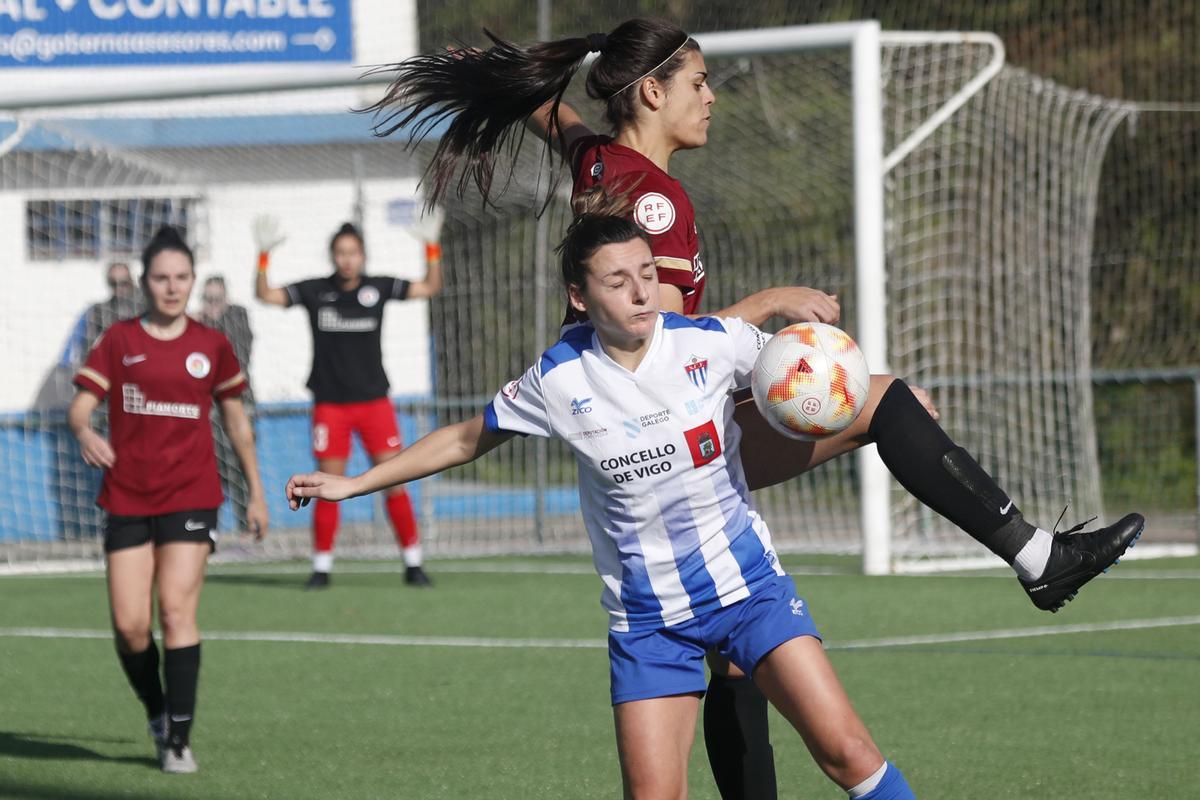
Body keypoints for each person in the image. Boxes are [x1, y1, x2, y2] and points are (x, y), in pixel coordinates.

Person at [367, 20, 1146, 800]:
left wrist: (500, 77)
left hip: (629, 442)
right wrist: (773, 304)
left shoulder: (601, 160)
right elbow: (663, 345)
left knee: (738, 650)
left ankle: (1028, 554)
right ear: (652, 91)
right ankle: (1036, 556)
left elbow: (558, 120)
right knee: (888, 404)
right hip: (660, 431)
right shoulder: (654, 203)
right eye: (698, 83)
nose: (710, 98)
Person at [287, 211, 920, 799]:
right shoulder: (558, 379)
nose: (642, 292)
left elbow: (807, 373)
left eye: (647, 274)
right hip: (648, 624)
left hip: (749, 592)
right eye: (618, 280)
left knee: (847, 753)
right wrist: (352, 484)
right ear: (579, 297)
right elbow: (462, 438)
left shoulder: (714, 342)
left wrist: (888, 404)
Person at [68, 226, 269, 774]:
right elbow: (80, 408)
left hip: (192, 495)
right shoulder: (118, 340)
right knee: (131, 626)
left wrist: (256, 492)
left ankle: (179, 738)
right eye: (161, 277)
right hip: (128, 497)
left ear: (192, 281)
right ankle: (157, 713)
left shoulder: (212, 345)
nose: (172, 287)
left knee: (177, 611)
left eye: (182, 277)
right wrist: (86, 432)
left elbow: (236, 423)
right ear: (144, 281)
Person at [254, 215, 444, 589]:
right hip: (330, 406)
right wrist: (262, 256)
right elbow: (267, 295)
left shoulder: (380, 286)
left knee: (394, 482)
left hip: (375, 403)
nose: (347, 260)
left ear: (362, 255)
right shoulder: (314, 290)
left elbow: (430, 287)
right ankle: (321, 567)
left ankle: (413, 563)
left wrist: (432, 248)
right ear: (333, 256)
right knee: (327, 485)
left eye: (353, 253)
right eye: (341, 253)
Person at [197, 275, 257, 532]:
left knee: (241, 467)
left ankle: (248, 527)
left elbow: (237, 358)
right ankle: (210, 529)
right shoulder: (197, 326)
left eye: (216, 299)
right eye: (207, 299)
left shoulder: (237, 317)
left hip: (238, 404)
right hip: (209, 408)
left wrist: (210, 322)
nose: (212, 305)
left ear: (226, 299)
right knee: (211, 470)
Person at [61, 261, 143, 369]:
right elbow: (84, 345)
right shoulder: (101, 311)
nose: (119, 288)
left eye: (123, 283)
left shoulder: (148, 305)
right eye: (113, 283)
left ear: (131, 281)